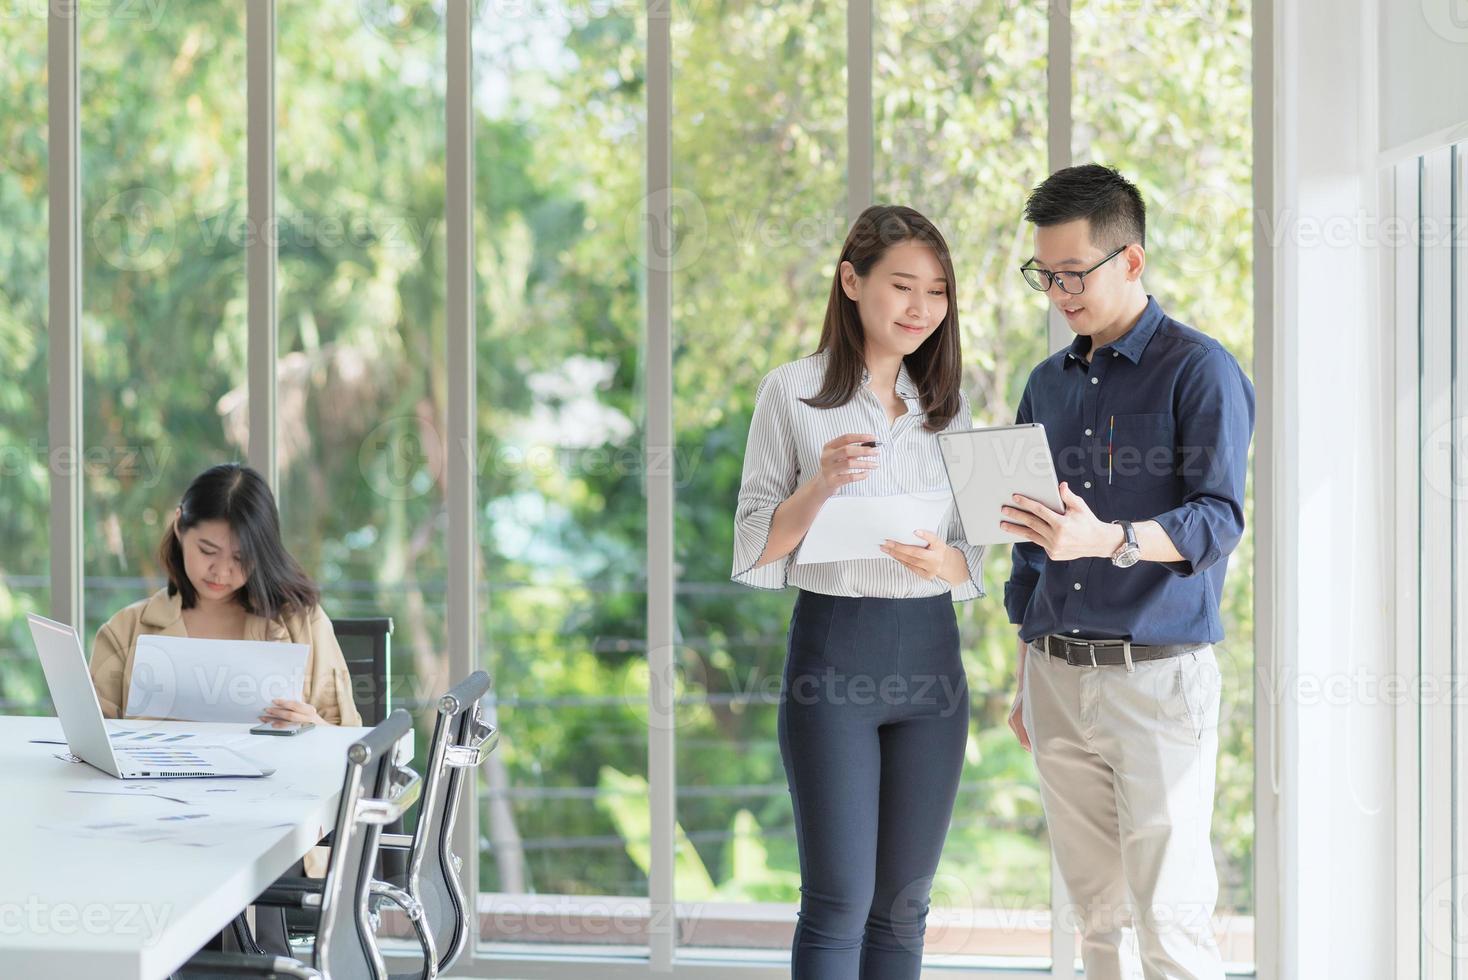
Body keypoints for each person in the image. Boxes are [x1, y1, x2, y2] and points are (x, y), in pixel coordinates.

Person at [1000, 164, 1255, 980]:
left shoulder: (1198, 369)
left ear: (1132, 261)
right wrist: (1022, 677)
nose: (1059, 292)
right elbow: (1032, 550)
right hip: (1056, 678)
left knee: (1171, 925)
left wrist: (1109, 539)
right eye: (1045, 274)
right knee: (1094, 925)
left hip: (1157, 684)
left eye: (1074, 273)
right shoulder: (1044, 385)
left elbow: (1219, 519)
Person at [731, 204, 986, 979]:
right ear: (851, 281)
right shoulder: (792, 393)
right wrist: (820, 485)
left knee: (903, 907)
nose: (921, 309)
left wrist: (945, 560)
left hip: (933, 665)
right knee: (839, 900)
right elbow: (752, 546)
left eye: (937, 292)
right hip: (834, 661)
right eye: (903, 286)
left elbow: (971, 559)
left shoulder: (947, 408)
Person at [88, 461, 362, 729]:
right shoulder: (124, 631)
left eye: (240, 558)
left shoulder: (304, 623)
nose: (220, 572)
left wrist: (314, 727)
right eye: (207, 551)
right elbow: (87, 744)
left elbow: (351, 745)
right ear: (178, 527)